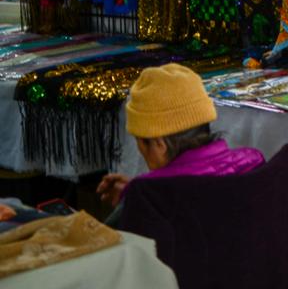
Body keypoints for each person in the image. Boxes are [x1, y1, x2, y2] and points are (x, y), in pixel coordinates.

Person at [96, 64, 265, 217]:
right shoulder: (253, 162)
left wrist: (137, 196)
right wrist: (134, 192)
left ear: (159, 144)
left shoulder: (153, 196)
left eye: (139, 141)